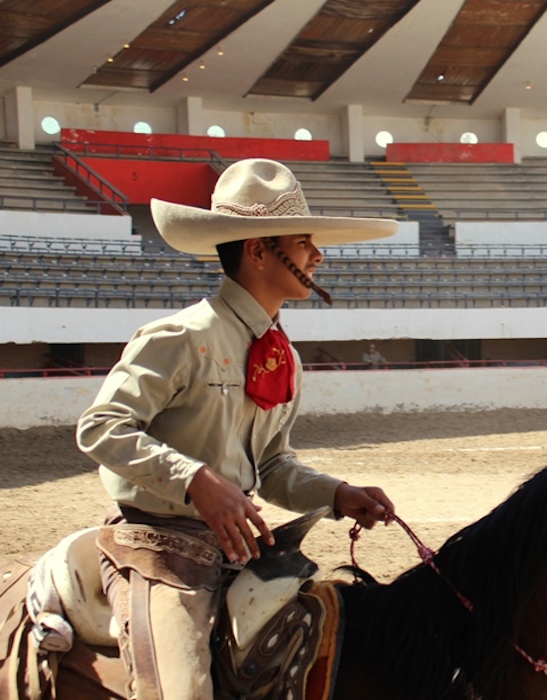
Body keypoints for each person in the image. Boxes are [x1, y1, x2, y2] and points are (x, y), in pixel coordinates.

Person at [75, 158, 399, 700]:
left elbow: (270, 466)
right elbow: (100, 428)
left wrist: (337, 494)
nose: (317, 255)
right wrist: (196, 480)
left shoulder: (284, 357)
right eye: (302, 242)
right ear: (258, 250)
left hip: (239, 550)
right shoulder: (178, 335)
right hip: (160, 549)